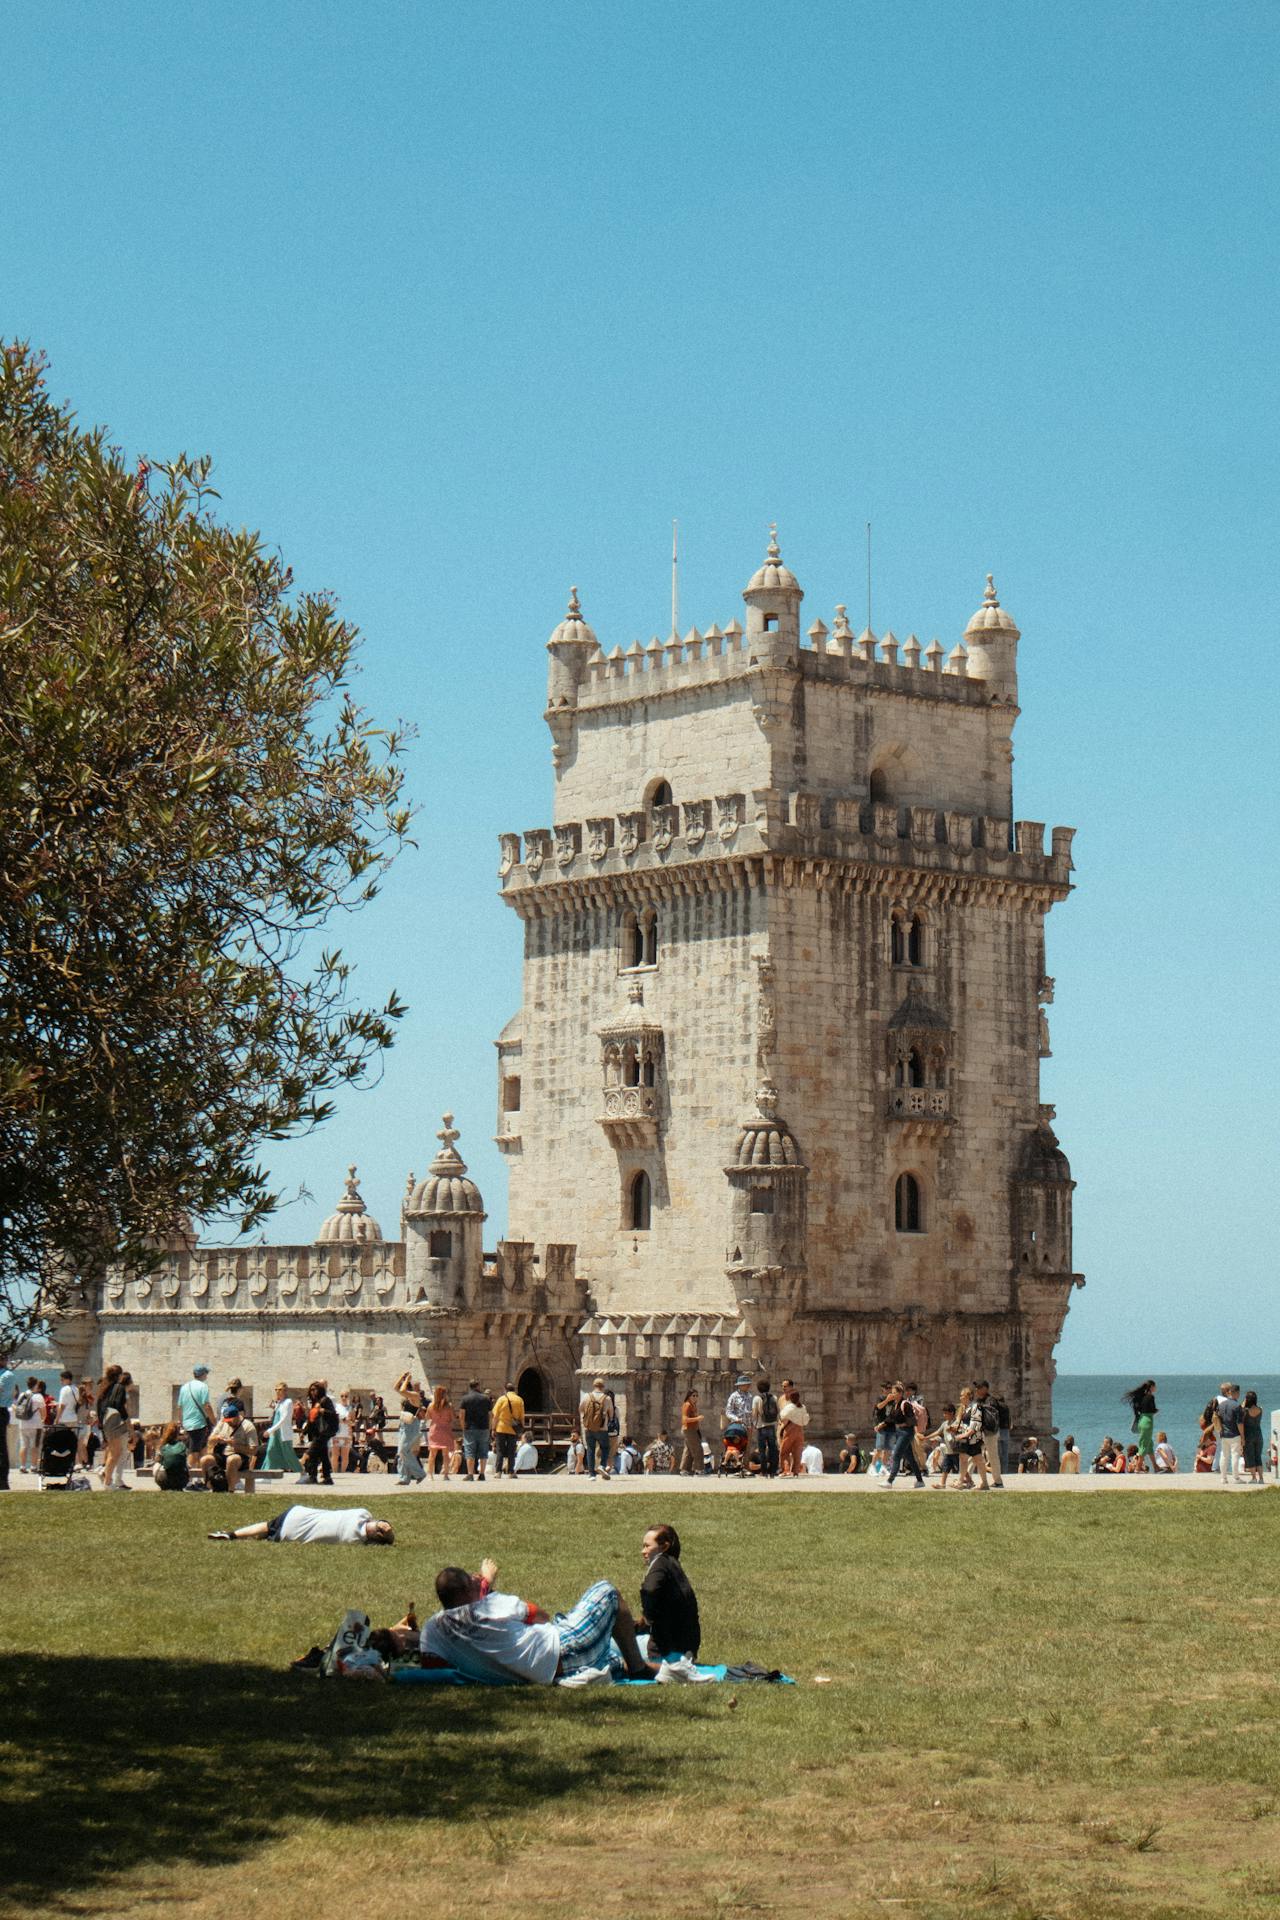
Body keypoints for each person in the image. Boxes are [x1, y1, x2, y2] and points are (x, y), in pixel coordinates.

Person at [421, 1558, 656, 1682]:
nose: (478, 1580)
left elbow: (433, 1667)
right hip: (564, 1649)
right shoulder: (489, 1605)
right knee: (606, 1592)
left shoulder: (433, 1629)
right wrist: (487, 1587)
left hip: (549, 1671)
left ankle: (634, 1661)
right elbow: (540, 1616)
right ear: (464, 1590)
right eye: (473, 1581)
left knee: (607, 1655)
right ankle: (637, 1667)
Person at [637, 1524, 701, 1661]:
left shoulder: (660, 1562)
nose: (643, 1551)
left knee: (612, 1639)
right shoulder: (674, 1567)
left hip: (663, 1654)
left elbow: (649, 1590)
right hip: (685, 1651)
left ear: (664, 1547)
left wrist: (649, 1617)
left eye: (647, 1546)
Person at [209, 1505, 394, 1544]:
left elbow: (380, 1524)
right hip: (291, 1535)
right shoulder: (353, 1540)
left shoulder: (361, 1513)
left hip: (298, 1513)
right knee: (267, 1531)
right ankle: (233, 1536)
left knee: (267, 1526)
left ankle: (232, 1534)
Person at [96, 1364, 132, 1488]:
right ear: (119, 1375)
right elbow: (118, 1404)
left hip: (106, 1422)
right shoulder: (119, 1387)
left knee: (114, 1452)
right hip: (115, 1422)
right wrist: (126, 1418)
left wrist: (101, 1427)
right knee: (115, 1453)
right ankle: (107, 1482)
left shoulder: (105, 1388)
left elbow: (99, 1408)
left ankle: (107, 1478)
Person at [884, 1382, 925, 1489]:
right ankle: (920, 1481)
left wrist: (905, 1425)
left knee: (896, 1455)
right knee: (910, 1458)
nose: (892, 1395)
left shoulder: (905, 1404)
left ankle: (889, 1481)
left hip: (906, 1433)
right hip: (899, 1433)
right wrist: (880, 1425)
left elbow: (912, 1420)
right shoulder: (895, 1404)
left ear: (900, 1393)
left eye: (894, 1393)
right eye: (891, 1393)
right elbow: (890, 1419)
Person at [177, 1363, 216, 1477]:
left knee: (201, 1450)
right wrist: (214, 1421)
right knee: (194, 1452)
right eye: (206, 1373)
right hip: (199, 1423)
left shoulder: (184, 1387)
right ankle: (188, 1479)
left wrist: (182, 1423)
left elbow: (179, 1407)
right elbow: (207, 1406)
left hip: (187, 1423)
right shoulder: (203, 1387)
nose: (207, 1376)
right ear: (203, 1374)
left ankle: (199, 1478)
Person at [303, 1380, 338, 1485]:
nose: (313, 1392)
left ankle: (311, 1475)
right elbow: (311, 1419)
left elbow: (333, 1414)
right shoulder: (314, 1402)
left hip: (324, 1432)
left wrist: (322, 1410)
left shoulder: (325, 1400)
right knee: (323, 1454)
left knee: (311, 1453)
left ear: (320, 1390)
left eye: (315, 1389)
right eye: (311, 1390)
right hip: (316, 1432)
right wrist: (304, 1432)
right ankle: (326, 1478)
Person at [953, 1386, 988, 1490]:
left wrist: (964, 1435)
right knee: (964, 1459)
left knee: (979, 1460)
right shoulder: (965, 1408)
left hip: (974, 1439)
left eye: (962, 1396)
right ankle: (961, 1481)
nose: (960, 1398)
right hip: (967, 1439)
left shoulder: (976, 1407)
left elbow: (975, 1425)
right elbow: (966, 1424)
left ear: (969, 1396)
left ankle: (984, 1483)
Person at [579, 1377, 614, 1481]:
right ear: (603, 1387)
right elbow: (611, 1414)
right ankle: (602, 1466)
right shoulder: (607, 1398)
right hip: (602, 1428)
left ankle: (591, 1474)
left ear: (593, 1385)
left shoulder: (586, 1396)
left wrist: (586, 1419)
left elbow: (580, 1409)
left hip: (589, 1427)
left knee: (590, 1449)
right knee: (605, 1448)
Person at [261, 1384, 301, 1472]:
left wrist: (270, 1430)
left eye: (280, 1390)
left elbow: (284, 1419)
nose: (277, 1392)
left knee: (289, 1454)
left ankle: (302, 1473)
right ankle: (265, 1473)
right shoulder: (279, 1403)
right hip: (275, 1433)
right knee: (270, 1451)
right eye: (276, 1390)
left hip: (283, 1433)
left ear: (285, 1391)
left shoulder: (288, 1402)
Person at [490, 1382, 526, 1479]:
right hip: (513, 1429)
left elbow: (495, 1416)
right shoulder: (520, 1400)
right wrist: (521, 1429)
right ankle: (511, 1472)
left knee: (500, 1450)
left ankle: (498, 1472)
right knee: (511, 1450)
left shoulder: (501, 1399)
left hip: (501, 1428)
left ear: (505, 1389)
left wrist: (493, 1428)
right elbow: (522, 1417)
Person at [972, 1381, 1005, 1488]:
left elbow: (988, 1417)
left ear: (985, 1388)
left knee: (992, 1457)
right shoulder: (979, 1401)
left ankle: (998, 1481)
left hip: (990, 1432)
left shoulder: (990, 1400)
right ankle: (965, 1477)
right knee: (972, 1454)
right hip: (980, 1432)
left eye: (979, 1387)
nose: (976, 1390)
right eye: (976, 1388)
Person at [460, 1379, 494, 1483]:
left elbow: (462, 1415)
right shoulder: (486, 1399)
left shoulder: (465, 1399)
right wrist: (490, 1427)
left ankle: (470, 1474)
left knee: (470, 1450)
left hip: (470, 1428)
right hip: (484, 1428)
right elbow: (491, 1415)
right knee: (483, 1450)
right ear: (478, 1386)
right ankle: (482, 1474)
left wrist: (463, 1427)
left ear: (469, 1386)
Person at [1122, 1380, 1158, 1473]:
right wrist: (1156, 1411)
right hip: (1148, 1421)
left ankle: (1156, 1467)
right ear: (1151, 1387)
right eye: (1155, 1386)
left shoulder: (1141, 1397)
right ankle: (1137, 1468)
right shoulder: (1150, 1397)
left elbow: (1140, 1409)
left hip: (1141, 1420)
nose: (1156, 1388)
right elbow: (1152, 1409)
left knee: (1149, 1445)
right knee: (1143, 1445)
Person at [777, 1381, 809, 1477]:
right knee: (797, 1451)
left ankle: (785, 1469)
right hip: (800, 1430)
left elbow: (782, 1417)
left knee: (784, 1450)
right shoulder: (803, 1407)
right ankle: (795, 1471)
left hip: (790, 1429)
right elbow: (806, 1420)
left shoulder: (789, 1407)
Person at [15, 1376, 46, 1472]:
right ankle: (33, 1466)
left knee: (23, 1445)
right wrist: (43, 1420)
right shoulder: (38, 1396)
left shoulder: (22, 1395)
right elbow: (43, 1412)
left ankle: (22, 1466)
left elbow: (18, 1408)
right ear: (35, 1385)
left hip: (23, 1424)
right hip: (35, 1425)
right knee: (34, 1446)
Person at [425, 1385, 455, 1482]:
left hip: (435, 1429)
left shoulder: (431, 1405)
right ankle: (445, 1474)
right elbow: (452, 1418)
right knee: (445, 1454)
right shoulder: (448, 1406)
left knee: (432, 1454)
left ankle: (430, 1474)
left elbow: (427, 1417)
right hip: (445, 1429)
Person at [1215, 1382, 1243, 1485]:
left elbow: (1218, 1418)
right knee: (1235, 1455)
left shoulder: (1221, 1405)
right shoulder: (1237, 1406)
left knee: (1224, 1455)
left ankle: (1223, 1478)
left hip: (1224, 1434)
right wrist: (1243, 1436)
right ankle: (1236, 1478)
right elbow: (1239, 1423)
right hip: (1234, 1434)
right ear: (1237, 1393)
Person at [751, 1377, 779, 1479]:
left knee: (762, 1450)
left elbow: (754, 1413)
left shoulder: (757, 1398)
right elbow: (777, 1411)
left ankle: (764, 1472)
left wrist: (753, 1423)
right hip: (771, 1426)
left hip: (761, 1426)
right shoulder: (774, 1397)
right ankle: (773, 1471)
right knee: (773, 1449)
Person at [926, 1405, 960, 1489]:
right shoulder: (944, 1424)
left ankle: (969, 1481)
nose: (944, 1415)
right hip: (948, 1451)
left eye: (946, 1413)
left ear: (952, 1413)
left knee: (961, 1468)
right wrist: (925, 1437)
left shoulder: (956, 1422)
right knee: (945, 1467)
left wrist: (952, 1429)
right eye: (943, 1413)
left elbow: (957, 1429)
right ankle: (942, 1484)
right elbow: (937, 1432)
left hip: (956, 1451)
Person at [395, 1392, 425, 1486]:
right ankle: (404, 1478)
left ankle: (420, 1473)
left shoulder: (414, 1397)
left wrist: (406, 1379)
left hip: (411, 1426)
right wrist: (402, 1377)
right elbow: (396, 1388)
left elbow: (402, 1389)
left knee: (403, 1451)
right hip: (403, 1425)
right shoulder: (406, 1400)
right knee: (402, 1453)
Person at [153, 1421, 190, 1490]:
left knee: (156, 1464)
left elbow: (157, 1460)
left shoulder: (162, 1446)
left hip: (164, 1479)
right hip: (181, 1480)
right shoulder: (182, 1445)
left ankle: (162, 1486)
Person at [1241, 1391, 1265, 1485]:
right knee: (1258, 1456)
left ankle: (1254, 1478)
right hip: (1259, 1435)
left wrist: (1243, 1404)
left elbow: (1240, 1415)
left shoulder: (1245, 1411)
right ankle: (1261, 1478)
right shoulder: (1260, 1409)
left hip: (1248, 1436)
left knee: (1250, 1456)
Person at [679, 1390, 703, 1476]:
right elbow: (684, 1419)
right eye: (693, 1395)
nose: (695, 1397)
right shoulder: (687, 1405)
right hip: (689, 1429)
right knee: (698, 1449)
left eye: (697, 1395)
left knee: (688, 1450)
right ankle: (698, 1469)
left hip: (692, 1429)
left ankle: (684, 1470)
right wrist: (697, 1418)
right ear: (689, 1396)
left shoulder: (693, 1405)